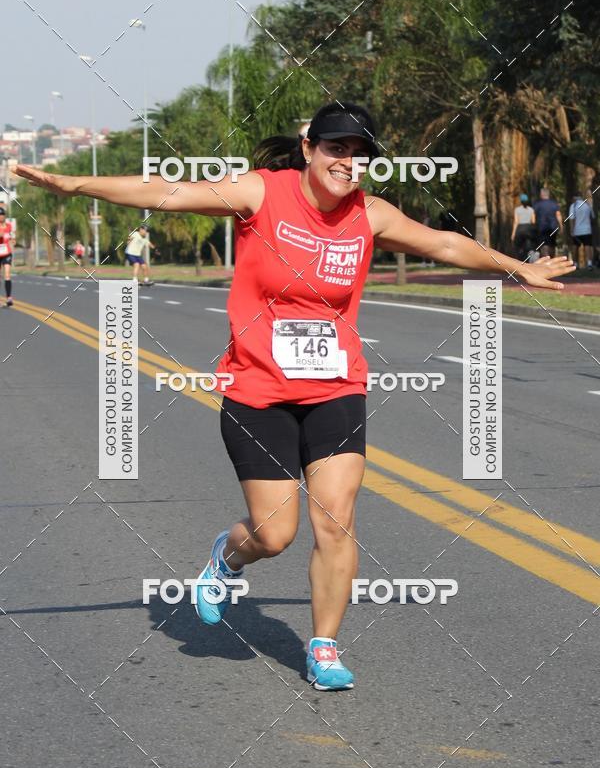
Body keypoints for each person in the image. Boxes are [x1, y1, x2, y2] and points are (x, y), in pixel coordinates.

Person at [15, 102, 576, 691]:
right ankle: (225, 561)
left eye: (359, 154)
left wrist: (518, 268)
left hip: (336, 388)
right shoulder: (262, 193)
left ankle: (325, 646)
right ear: (309, 148)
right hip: (258, 391)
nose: (347, 163)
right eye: (336, 148)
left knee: (336, 520)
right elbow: (168, 193)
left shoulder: (370, 214)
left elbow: (444, 245)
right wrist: (73, 183)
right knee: (274, 535)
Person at [533, 187, 563, 257]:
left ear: (541, 194)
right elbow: (558, 214)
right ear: (548, 195)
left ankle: (547, 260)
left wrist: (534, 225)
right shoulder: (554, 203)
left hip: (542, 228)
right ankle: (552, 259)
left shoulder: (538, 204)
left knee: (544, 244)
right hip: (553, 227)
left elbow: (533, 216)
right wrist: (561, 226)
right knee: (552, 244)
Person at [568, 192, 594, 269]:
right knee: (587, 246)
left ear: (574, 198)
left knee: (575, 247)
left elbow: (571, 219)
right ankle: (589, 264)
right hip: (587, 230)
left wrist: (572, 230)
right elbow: (592, 217)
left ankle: (575, 264)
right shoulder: (587, 205)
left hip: (577, 230)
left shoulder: (573, 206)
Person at [510, 194, 536, 262]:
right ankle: (528, 260)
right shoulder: (531, 210)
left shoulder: (517, 210)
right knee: (528, 247)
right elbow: (533, 221)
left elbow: (516, 222)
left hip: (520, 229)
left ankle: (520, 260)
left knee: (519, 247)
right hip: (528, 229)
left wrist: (513, 234)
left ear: (521, 201)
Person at [0, 207, 15, 306]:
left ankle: (9, 297)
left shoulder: (9, 226)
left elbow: (12, 236)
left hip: (7, 253)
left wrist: (13, 240)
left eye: (2, 215)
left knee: (7, 274)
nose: (1, 217)